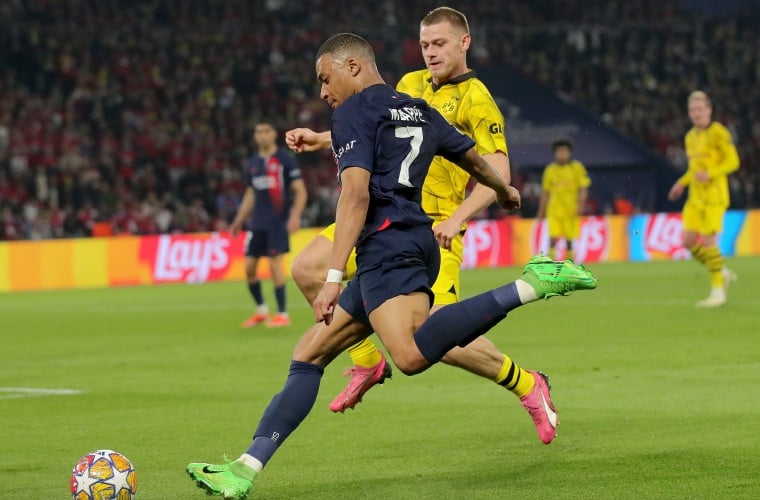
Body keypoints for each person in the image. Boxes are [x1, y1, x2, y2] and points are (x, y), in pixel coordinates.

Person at [186, 33, 597, 500]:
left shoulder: (352, 112)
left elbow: (355, 196)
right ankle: (245, 467)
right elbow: (472, 159)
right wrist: (504, 193)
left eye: (325, 79)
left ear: (354, 66)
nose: (323, 92)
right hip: (412, 238)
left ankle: (529, 284)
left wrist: (334, 280)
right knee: (307, 357)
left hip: (387, 247)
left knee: (411, 355)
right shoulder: (418, 107)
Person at [287, 7, 561, 445]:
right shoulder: (410, 84)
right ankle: (366, 360)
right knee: (306, 269)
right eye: (425, 44)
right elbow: (381, 127)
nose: (430, 53)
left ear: (463, 43)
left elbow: (497, 172)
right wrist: (323, 138)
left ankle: (527, 383)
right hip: (377, 213)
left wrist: (458, 218)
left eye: (440, 44)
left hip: (431, 228)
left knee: (436, 340)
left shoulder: (476, 99)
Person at [230, 121, 307, 328]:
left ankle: (282, 313)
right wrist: (238, 220)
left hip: (277, 222)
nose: (262, 135)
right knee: (249, 268)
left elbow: (300, 190)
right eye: (258, 132)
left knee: (274, 266)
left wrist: (295, 216)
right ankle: (262, 311)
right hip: (257, 224)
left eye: (266, 131)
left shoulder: (284, 159)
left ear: (274, 134)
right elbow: (250, 194)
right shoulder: (253, 163)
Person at [667, 90, 739, 308]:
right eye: (692, 110)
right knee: (688, 242)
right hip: (695, 197)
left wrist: (712, 173)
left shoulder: (719, 133)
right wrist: (681, 182)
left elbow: (733, 161)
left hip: (714, 196)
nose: (696, 113)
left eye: (700, 109)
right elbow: (694, 169)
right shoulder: (690, 137)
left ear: (709, 110)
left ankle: (718, 292)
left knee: (708, 242)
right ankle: (721, 271)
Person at [536, 138, 591, 261]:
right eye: (559, 151)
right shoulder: (550, 170)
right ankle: (552, 262)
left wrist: (581, 205)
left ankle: (570, 262)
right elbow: (545, 192)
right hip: (554, 209)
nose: (562, 154)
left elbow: (583, 188)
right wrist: (541, 211)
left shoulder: (577, 168)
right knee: (553, 237)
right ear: (555, 153)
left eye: (564, 151)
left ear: (569, 153)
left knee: (570, 239)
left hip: (571, 209)